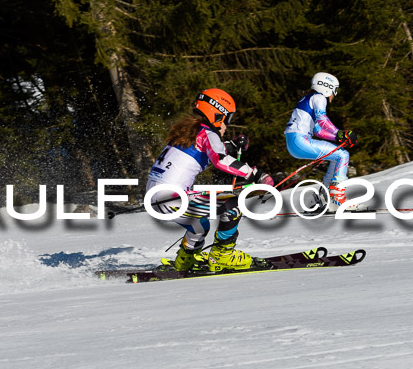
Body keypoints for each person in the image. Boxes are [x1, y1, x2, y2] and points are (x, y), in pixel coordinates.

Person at [146, 88, 273, 272]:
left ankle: (185, 262)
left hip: (157, 197)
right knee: (232, 205)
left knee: (199, 225)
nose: (226, 126)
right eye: (227, 119)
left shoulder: (188, 133)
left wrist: (232, 145)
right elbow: (219, 159)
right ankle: (223, 256)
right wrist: (255, 174)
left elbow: (208, 151)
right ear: (217, 115)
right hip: (172, 197)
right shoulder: (207, 133)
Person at [284, 72, 360, 211]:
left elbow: (318, 130)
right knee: (343, 155)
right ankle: (338, 198)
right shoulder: (319, 97)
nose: (334, 95)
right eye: (334, 90)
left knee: (336, 157)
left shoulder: (309, 98)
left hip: (295, 141)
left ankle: (326, 198)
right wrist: (340, 133)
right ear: (326, 87)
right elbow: (322, 120)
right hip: (300, 140)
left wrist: (338, 138)